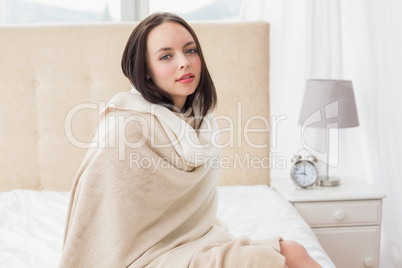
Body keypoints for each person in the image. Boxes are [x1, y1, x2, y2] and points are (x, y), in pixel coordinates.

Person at [59, 12, 321, 268]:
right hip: (145, 257)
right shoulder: (126, 129)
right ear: (146, 71)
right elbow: (96, 224)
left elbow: (195, 218)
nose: (183, 62)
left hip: (199, 241)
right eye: (166, 56)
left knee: (293, 251)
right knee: (289, 254)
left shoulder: (202, 123)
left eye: (190, 50)